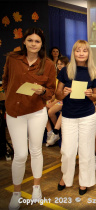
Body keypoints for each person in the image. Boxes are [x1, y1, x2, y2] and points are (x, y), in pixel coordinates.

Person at [2, 27, 56, 209]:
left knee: (35, 150)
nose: (33, 44)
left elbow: (51, 91)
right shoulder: (13, 58)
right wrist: (11, 97)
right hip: (14, 112)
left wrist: (43, 91)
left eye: (37, 41)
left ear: (42, 44)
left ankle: (36, 188)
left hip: (36, 111)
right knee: (20, 155)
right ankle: (16, 193)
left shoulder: (48, 63)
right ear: (24, 41)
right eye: (30, 40)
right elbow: (6, 80)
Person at [55, 40, 96, 195]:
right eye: (78, 50)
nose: (81, 53)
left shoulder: (93, 71)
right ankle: (65, 178)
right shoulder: (66, 70)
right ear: (73, 52)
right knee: (67, 151)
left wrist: (90, 95)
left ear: (88, 53)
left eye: (84, 51)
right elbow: (57, 94)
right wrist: (64, 93)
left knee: (86, 151)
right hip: (68, 116)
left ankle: (84, 182)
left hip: (87, 117)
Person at [46, 56, 69, 146]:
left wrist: (54, 102)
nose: (59, 66)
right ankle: (51, 132)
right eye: (58, 64)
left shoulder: (67, 76)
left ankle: (56, 132)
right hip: (58, 99)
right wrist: (50, 100)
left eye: (61, 64)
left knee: (51, 111)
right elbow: (55, 93)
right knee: (43, 108)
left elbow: (63, 95)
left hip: (64, 100)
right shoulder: (57, 77)